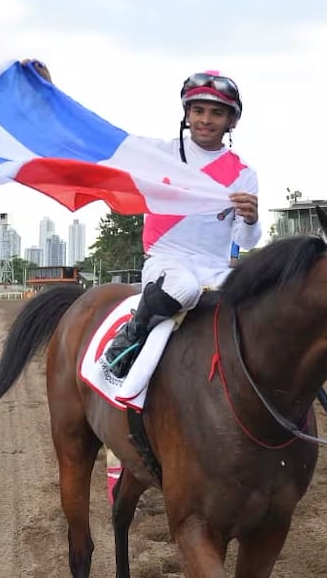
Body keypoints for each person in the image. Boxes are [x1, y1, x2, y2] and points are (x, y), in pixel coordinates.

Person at [101, 70, 262, 376]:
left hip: (216, 268)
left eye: (216, 113)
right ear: (187, 114)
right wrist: (46, 93)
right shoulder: (158, 154)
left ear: (232, 122)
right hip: (167, 263)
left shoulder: (244, 173)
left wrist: (252, 218)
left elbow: (246, 239)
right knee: (184, 289)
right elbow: (99, 140)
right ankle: (129, 336)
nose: (205, 119)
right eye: (198, 111)